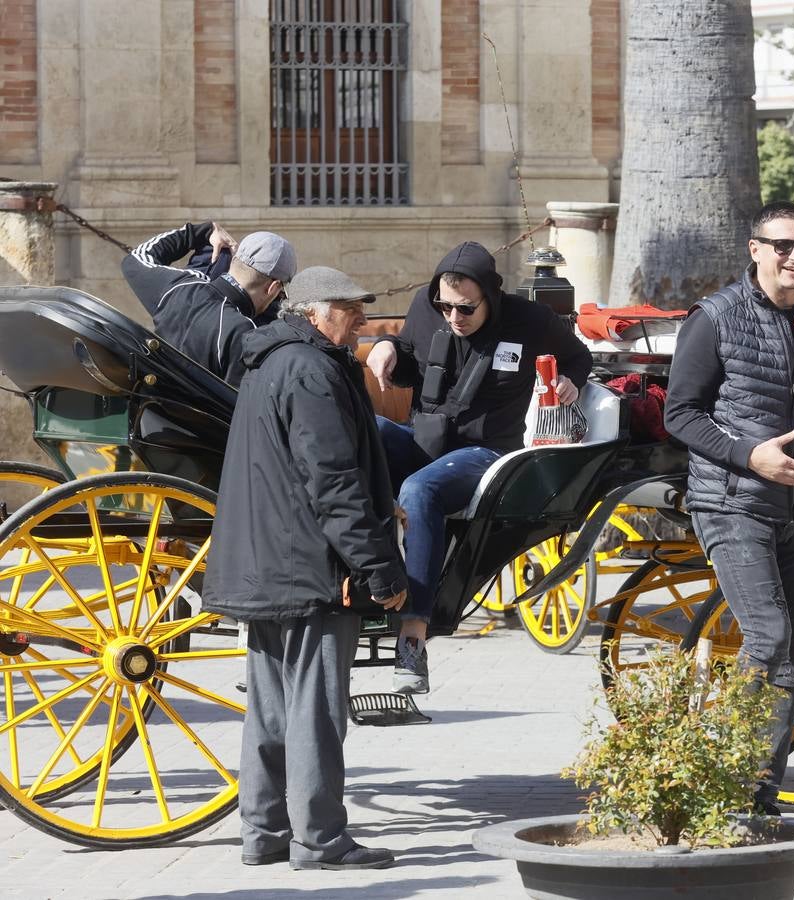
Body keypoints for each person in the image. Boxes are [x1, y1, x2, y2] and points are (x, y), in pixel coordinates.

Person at [663, 201, 794, 815]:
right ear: (754, 249)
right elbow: (680, 414)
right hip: (731, 501)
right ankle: (726, 779)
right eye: (782, 245)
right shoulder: (716, 318)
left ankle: (757, 796)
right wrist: (750, 456)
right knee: (770, 634)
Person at [203, 266, 408, 871]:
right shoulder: (313, 371)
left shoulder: (272, 362)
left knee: (270, 708)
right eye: (351, 309)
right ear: (314, 312)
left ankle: (263, 833)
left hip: (270, 565)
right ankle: (320, 840)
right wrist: (380, 569)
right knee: (315, 711)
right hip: (309, 568)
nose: (364, 322)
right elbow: (334, 484)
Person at [364, 241, 592, 694]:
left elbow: (578, 357)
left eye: (465, 308)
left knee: (419, 490)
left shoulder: (531, 321)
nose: (453, 317)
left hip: (487, 454)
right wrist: (387, 346)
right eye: (445, 307)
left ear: (489, 294)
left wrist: (569, 380)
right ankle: (338, 589)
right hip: (426, 440)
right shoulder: (428, 310)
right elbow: (408, 358)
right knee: (353, 431)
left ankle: (413, 640)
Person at [122, 221, 297, 386]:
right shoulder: (245, 333)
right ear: (273, 288)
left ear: (235, 260)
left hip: (150, 410)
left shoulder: (181, 286)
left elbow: (135, 260)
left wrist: (201, 231)